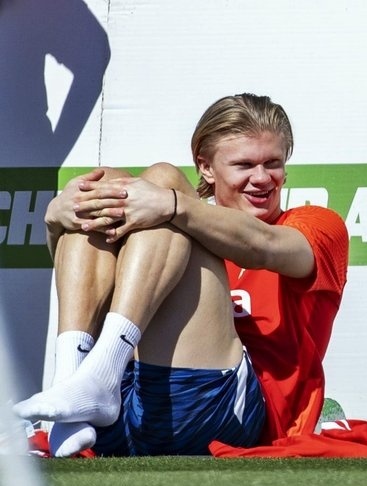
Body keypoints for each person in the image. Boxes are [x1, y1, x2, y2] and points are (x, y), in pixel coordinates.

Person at [15, 93, 349, 456]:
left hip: (231, 418)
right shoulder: (167, 223)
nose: (261, 178)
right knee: (105, 185)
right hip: (119, 411)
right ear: (206, 167)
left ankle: (95, 380)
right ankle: (72, 383)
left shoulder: (317, 225)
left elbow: (262, 245)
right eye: (244, 165)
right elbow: (89, 283)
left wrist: (174, 204)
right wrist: (56, 220)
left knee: (163, 181)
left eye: (273, 163)